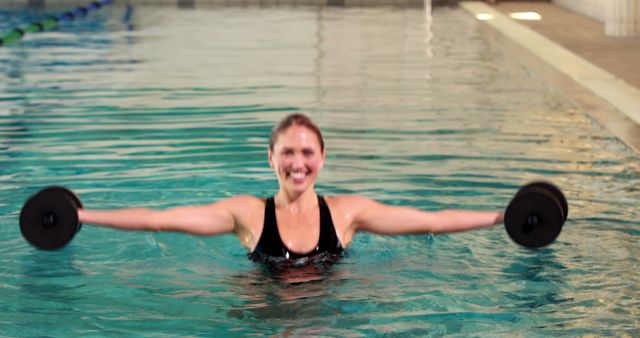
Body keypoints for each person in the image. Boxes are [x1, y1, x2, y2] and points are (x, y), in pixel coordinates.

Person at [78, 113, 504, 261]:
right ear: (270, 158)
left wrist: (502, 218)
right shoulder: (246, 215)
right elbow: (159, 220)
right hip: (263, 317)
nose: (297, 164)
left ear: (322, 157)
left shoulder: (346, 214)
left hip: (329, 317)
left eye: (306, 153)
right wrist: (79, 216)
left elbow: (428, 221)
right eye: (287, 153)